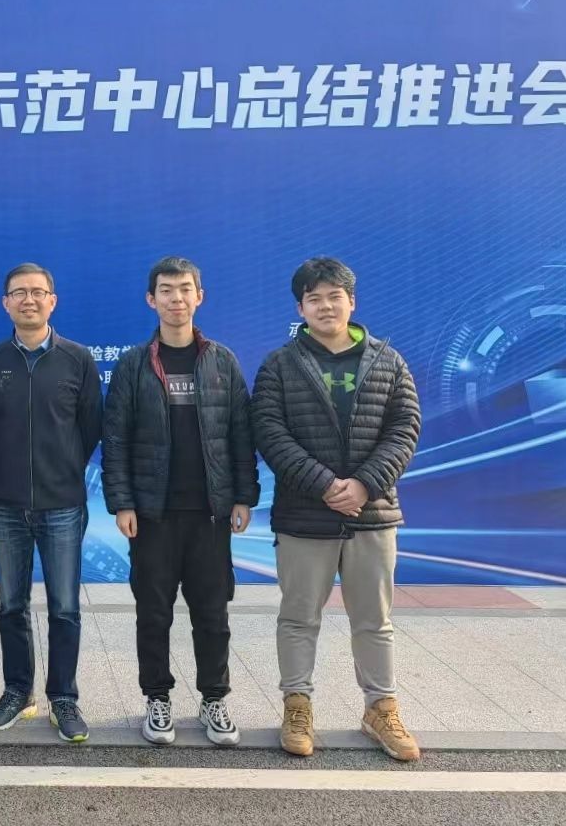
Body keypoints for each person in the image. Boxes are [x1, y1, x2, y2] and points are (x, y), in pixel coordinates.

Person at [252, 257, 421, 761]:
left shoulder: (388, 361)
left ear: (352, 301)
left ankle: (380, 708)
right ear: (300, 308)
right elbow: (269, 432)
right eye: (314, 299)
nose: (325, 306)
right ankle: (297, 705)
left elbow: (405, 428)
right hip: (305, 516)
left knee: (374, 620)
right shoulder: (279, 365)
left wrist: (365, 485)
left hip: (372, 514)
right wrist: (325, 485)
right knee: (298, 618)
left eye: (334, 297)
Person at [102, 257, 259, 746]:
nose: (176, 298)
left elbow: (241, 434)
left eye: (185, 289)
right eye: (166, 290)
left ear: (199, 297)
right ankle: (157, 699)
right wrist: (122, 503)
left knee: (213, 614)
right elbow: (116, 439)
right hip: (153, 515)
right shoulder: (133, 364)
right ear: (152, 299)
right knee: (154, 614)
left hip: (210, 514)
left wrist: (243, 496)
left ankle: (215, 699)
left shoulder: (221, 361)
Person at [0, 262, 103, 743]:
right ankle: (17, 691)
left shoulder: (78, 358)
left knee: (65, 607)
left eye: (37, 292)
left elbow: (90, 426)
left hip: (63, 504)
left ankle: (64, 697)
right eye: (18, 293)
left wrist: (64, 467)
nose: (28, 300)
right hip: (6, 503)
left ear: (53, 300)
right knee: (11, 605)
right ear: (5, 303)